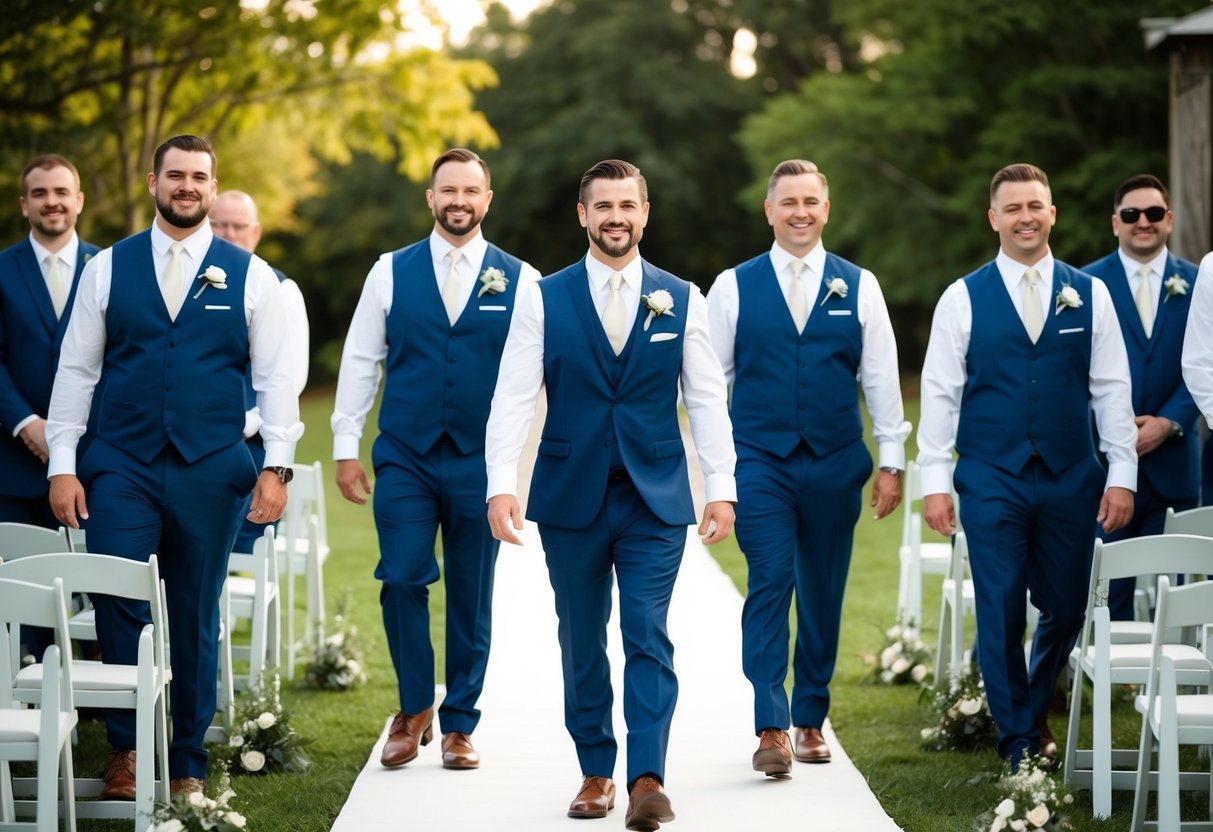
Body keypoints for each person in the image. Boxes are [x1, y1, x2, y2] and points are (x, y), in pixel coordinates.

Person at [46, 134, 302, 797]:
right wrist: (64, 465)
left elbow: (277, 381)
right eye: (175, 175)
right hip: (122, 465)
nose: (186, 185)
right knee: (116, 603)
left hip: (211, 467)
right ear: (154, 184)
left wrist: (277, 467)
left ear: (212, 189)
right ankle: (129, 751)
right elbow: (76, 370)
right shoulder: (107, 268)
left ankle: (187, 757)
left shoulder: (250, 275)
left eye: (198, 176)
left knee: (193, 610)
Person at [485, 159, 737, 831]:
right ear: (583, 215)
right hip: (570, 495)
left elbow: (707, 400)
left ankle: (646, 777)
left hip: (655, 497)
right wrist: (499, 483)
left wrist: (721, 487)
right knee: (581, 637)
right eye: (603, 206)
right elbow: (513, 394)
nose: (615, 217)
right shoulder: (543, 296)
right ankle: (595, 770)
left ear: (645, 212)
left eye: (627, 205)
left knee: (647, 633)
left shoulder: (681, 297)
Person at [917, 162, 1136, 769]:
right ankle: (1016, 740)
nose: (1025, 217)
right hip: (991, 475)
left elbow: (1113, 388)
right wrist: (934, 482)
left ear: (1053, 213)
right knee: (1003, 603)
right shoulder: (962, 298)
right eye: (1012, 208)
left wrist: (1122, 472)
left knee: (1066, 605)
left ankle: (1033, 706)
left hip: (1071, 473)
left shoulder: (1090, 293)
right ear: (994, 218)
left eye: (1035, 205)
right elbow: (939, 395)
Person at [331, 148, 540, 773]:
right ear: (430, 198)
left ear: (487, 200)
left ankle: (461, 725)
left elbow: (533, 377)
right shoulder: (389, 271)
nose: (459, 201)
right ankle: (414, 707)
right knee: (400, 576)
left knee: (473, 594)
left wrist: (520, 467)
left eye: (471, 191)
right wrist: (345, 447)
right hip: (407, 458)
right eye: (448, 190)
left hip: (483, 463)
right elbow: (361, 360)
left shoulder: (522, 278)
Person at [706, 159, 910, 776]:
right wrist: (718, 475)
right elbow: (710, 387)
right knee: (770, 580)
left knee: (823, 590)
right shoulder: (733, 286)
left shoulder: (860, 285)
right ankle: (771, 726)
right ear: (769, 210)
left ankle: (810, 718)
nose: (799, 212)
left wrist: (893, 461)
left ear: (826, 209)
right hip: (760, 462)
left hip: (834, 462)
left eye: (810, 202)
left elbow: (880, 377)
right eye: (787, 202)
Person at [1083, 174, 1199, 619]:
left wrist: (1169, 421)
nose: (1143, 222)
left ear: (1168, 219)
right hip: (1106, 469)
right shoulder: (1084, 286)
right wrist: (1116, 431)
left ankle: (1179, 684)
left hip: (1176, 466)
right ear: (1116, 223)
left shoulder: (1199, 284)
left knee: (1188, 593)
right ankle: (1114, 686)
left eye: (1153, 213)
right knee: (1108, 592)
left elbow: (1207, 365)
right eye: (1132, 215)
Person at [0, 154, 99, 528]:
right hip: (12, 468)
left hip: (91, 463)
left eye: (62, 191)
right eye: (39, 193)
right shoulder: (2, 270)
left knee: (89, 582)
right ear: (25, 206)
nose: (52, 201)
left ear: (79, 200)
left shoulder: (109, 268)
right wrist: (27, 424)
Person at [209, 189, 310, 552]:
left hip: (252, 443)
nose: (229, 234)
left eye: (238, 226)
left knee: (242, 552)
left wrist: (248, 421)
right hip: (195, 443)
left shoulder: (282, 289)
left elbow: (292, 377)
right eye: (218, 224)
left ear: (256, 232)